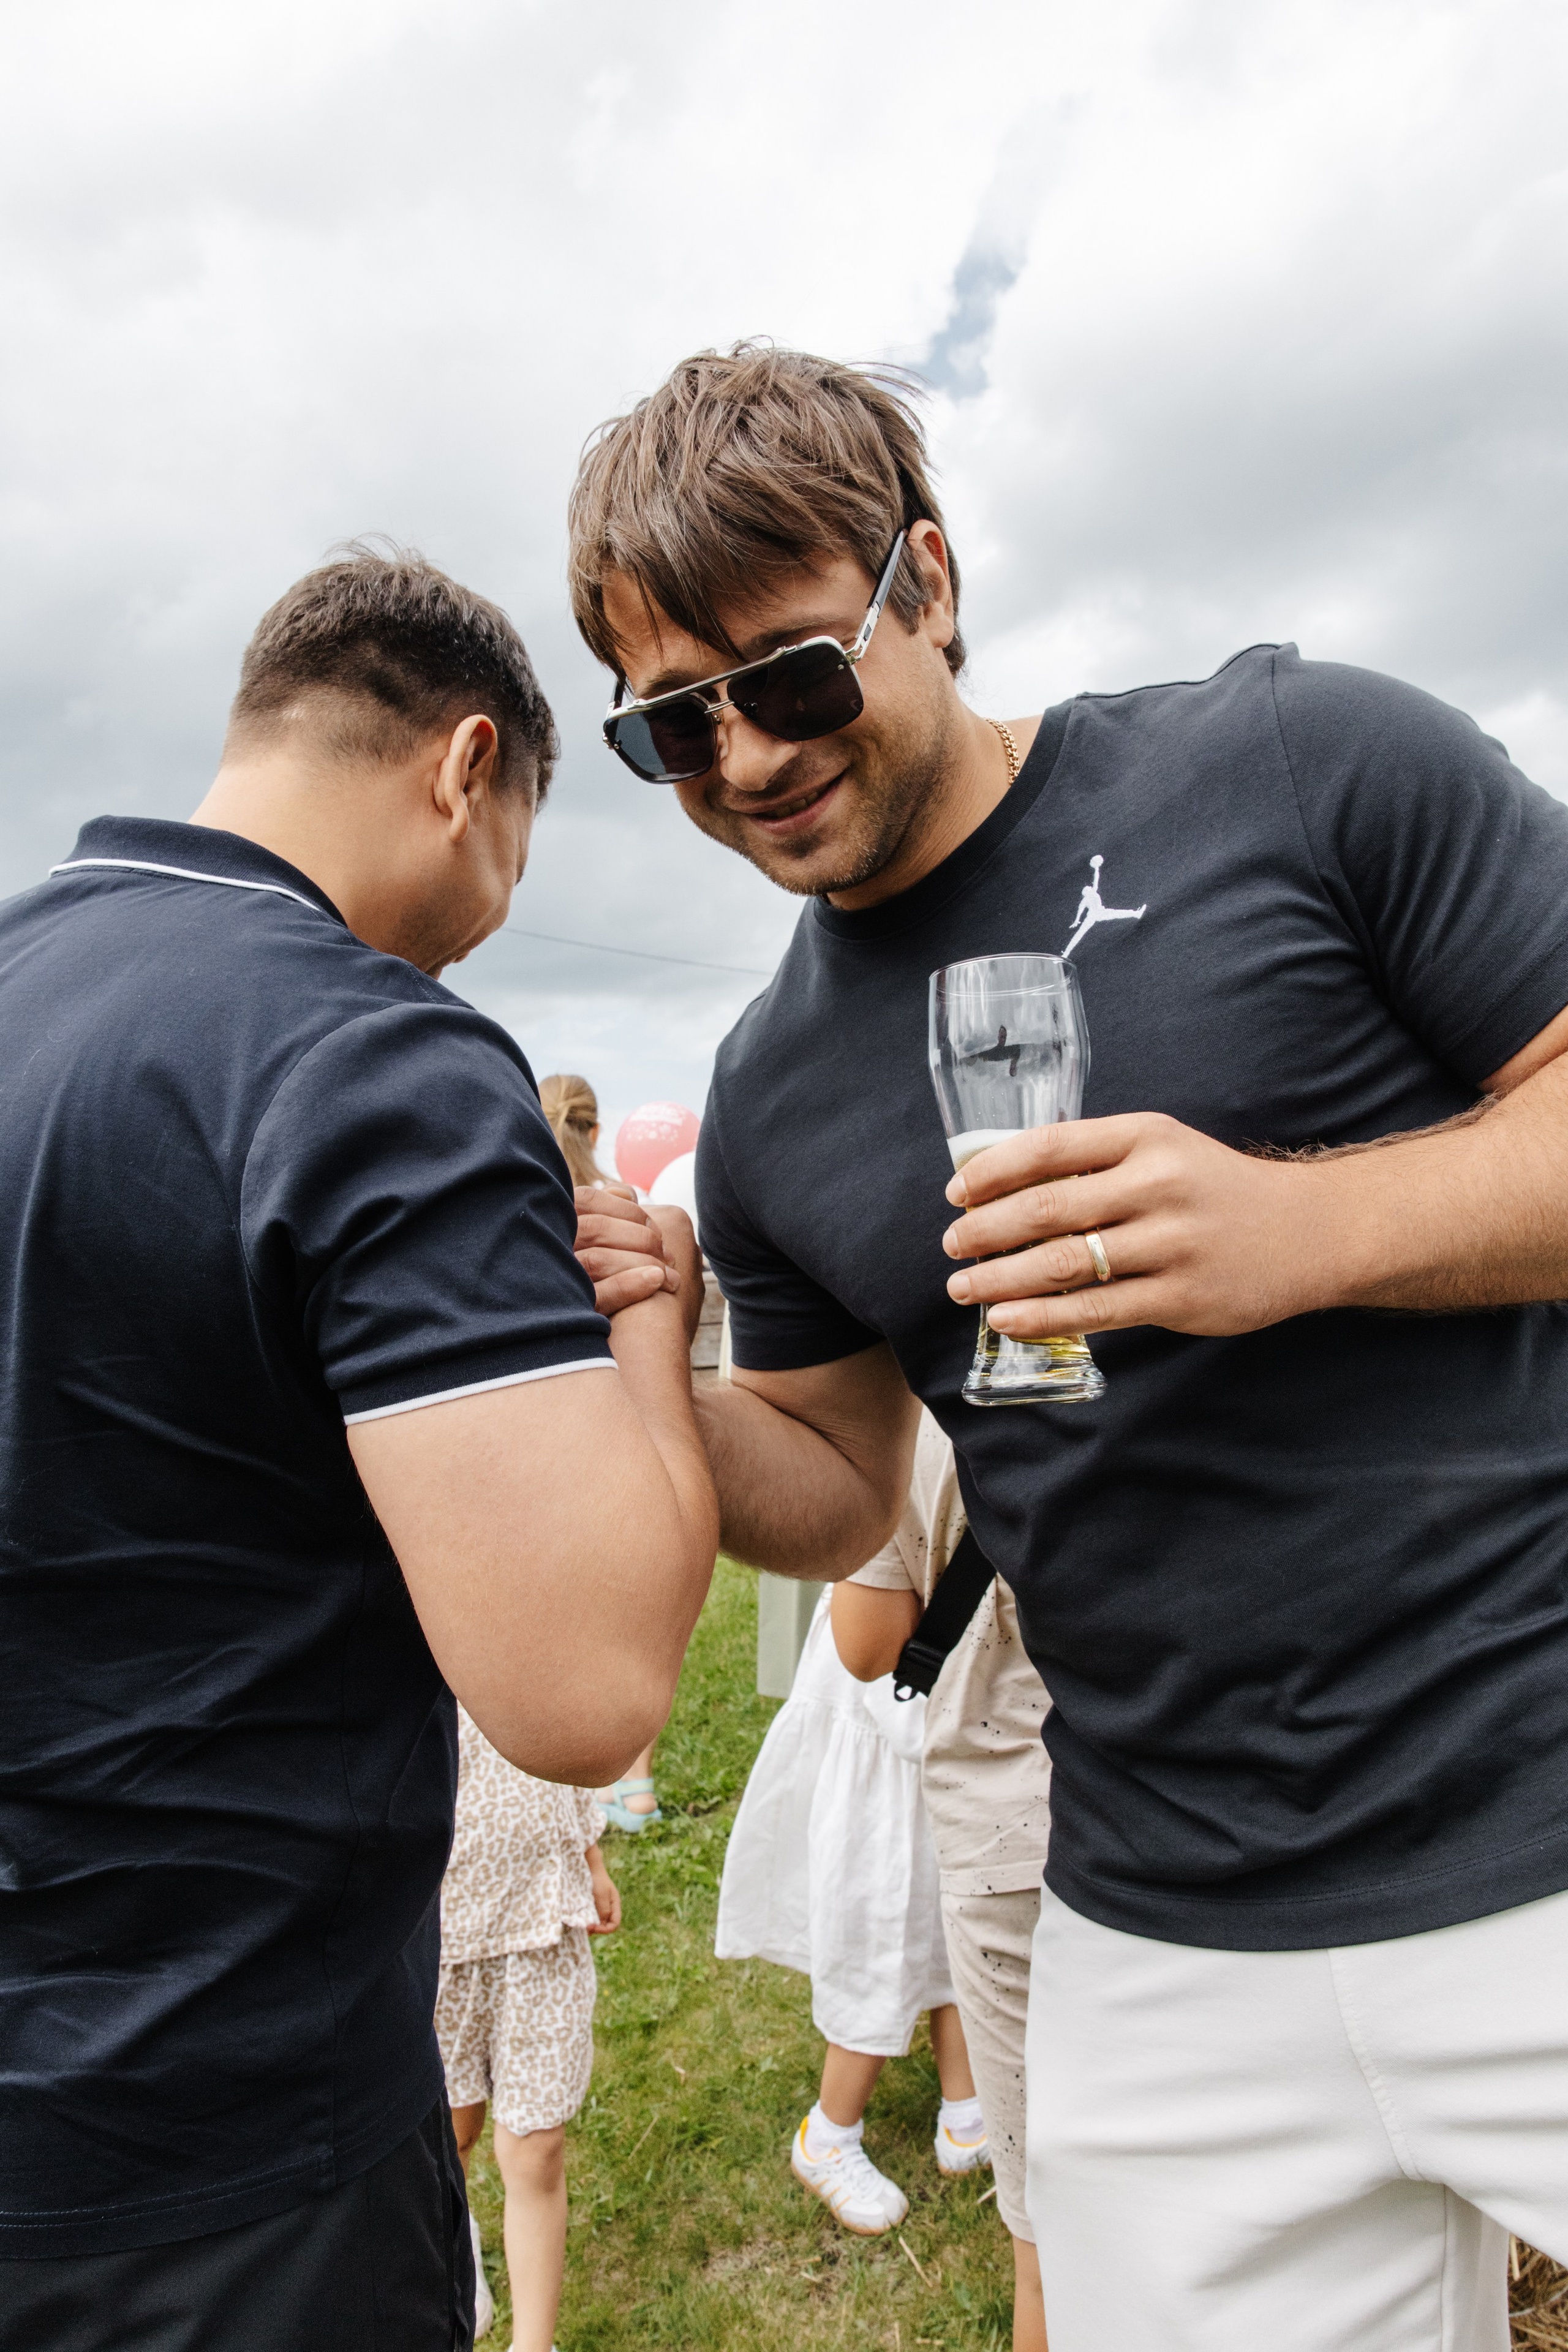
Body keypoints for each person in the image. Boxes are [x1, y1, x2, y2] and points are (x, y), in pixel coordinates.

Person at [565, 343, 1568, 2352]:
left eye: (789, 676)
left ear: (925, 582)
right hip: (1162, 1938)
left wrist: (1305, 1227)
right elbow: (840, 1481)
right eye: (672, 729)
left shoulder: (1296, 762)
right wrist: (658, 1363)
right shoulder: (767, 1089)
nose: (747, 760)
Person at [0, 547, 715, 2350]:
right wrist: (643, 1316)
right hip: (232, 2146)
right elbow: (585, 1688)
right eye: (513, 865)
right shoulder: (369, 1052)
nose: (482, 922)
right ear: (464, 768)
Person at [832, 1408, 1051, 2352]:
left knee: (1051, 2232)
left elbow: (867, 1643)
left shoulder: (917, 1413)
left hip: (1017, 1831)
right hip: (1197, 1812)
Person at [716, 1569, 986, 2234]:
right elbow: (868, 1644)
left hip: (961, 1694)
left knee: (961, 1899)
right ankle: (829, 2134)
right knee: (883, 1913)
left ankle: (967, 2106)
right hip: (890, 1689)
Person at [439, 1706, 620, 2350]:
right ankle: (457, 2257)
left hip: (543, 1923)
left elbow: (559, 1734)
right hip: (439, 1931)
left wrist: (591, 1856)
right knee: (449, 2135)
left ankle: (533, 2344)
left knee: (536, 2146)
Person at [540, 1071, 662, 1831]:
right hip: (625, 1425)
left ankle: (566, 1789)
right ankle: (634, 1783)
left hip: (554, 1428)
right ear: (593, 1128)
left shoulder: (527, 1200)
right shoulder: (623, 1205)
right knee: (638, 1617)